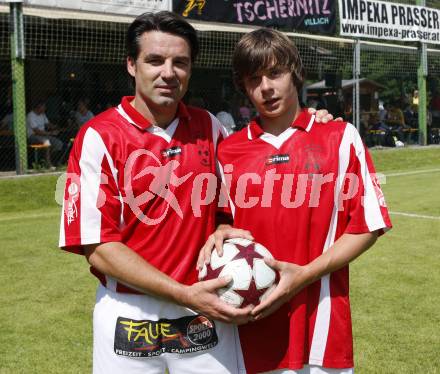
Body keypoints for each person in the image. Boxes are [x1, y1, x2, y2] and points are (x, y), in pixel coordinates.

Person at [59, 12, 336, 374]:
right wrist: (183, 293)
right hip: (130, 315)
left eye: (180, 62)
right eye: (155, 60)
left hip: (205, 309)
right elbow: (98, 249)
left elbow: (240, 194)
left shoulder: (210, 128)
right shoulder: (98, 137)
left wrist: (313, 124)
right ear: (131, 65)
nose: (168, 72)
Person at [198, 28, 392, 374]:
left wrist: (303, 275)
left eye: (275, 73)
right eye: (254, 79)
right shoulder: (227, 152)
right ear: (243, 86)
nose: (266, 88)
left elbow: (367, 227)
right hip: (251, 333)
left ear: (295, 73)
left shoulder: (340, 137)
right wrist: (221, 229)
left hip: (323, 331)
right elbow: (220, 222)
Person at [27, 101, 64, 167]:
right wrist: (51, 133)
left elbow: (47, 124)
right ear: (38, 107)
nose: (45, 108)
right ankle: (48, 163)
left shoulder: (42, 114)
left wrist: (56, 127)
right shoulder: (31, 115)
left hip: (44, 135)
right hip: (33, 136)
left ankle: (49, 159)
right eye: (43, 107)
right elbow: (36, 131)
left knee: (59, 143)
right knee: (46, 142)